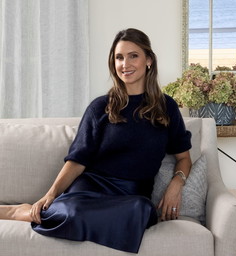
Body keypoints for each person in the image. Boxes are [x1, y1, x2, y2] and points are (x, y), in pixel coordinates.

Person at [0, 28, 192, 253]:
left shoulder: (165, 106)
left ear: (148, 60)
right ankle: (17, 211)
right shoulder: (100, 107)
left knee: (142, 211)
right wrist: (50, 195)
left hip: (132, 196)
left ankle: (50, 214)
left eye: (133, 56)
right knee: (71, 212)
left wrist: (176, 184)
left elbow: (183, 157)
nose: (125, 64)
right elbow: (77, 160)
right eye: (119, 57)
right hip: (90, 189)